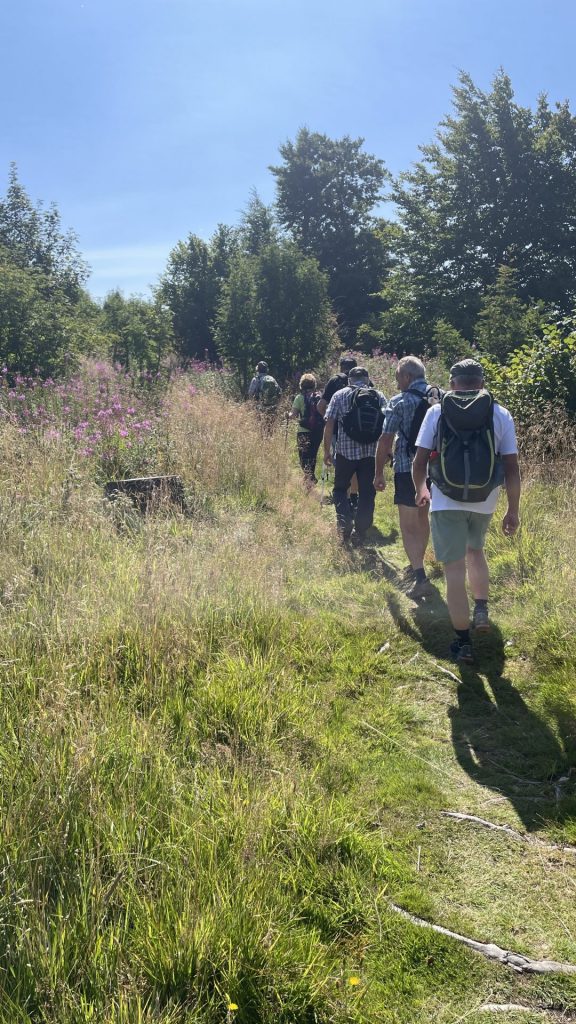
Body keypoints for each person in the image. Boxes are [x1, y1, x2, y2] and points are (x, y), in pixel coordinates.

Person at [412, 358, 521, 665]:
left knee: (454, 570)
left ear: (452, 383)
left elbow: (420, 460)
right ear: (482, 383)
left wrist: (421, 489)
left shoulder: (437, 411)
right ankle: (481, 608)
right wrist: (513, 510)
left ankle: (463, 644)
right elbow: (512, 467)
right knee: (476, 551)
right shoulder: (500, 413)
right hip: (485, 498)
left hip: (446, 500)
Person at [374, 356, 437, 600]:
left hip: (406, 469)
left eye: (398, 377)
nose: (396, 382)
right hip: (435, 470)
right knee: (423, 518)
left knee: (408, 525)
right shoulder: (440, 397)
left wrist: (379, 472)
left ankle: (420, 577)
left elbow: (386, 439)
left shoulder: (399, 401)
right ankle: (416, 564)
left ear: (407, 376)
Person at [323, 366, 387, 545]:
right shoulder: (378, 395)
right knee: (367, 492)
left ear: (349, 380)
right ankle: (361, 530)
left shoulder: (339, 395)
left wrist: (327, 450)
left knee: (340, 489)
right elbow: (387, 425)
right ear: (367, 379)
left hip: (345, 452)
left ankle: (345, 523)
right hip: (370, 454)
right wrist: (388, 451)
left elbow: (329, 424)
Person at [317, 354, 359, 506]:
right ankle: (354, 497)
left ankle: (344, 498)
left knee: (343, 464)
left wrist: (330, 419)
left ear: (341, 368)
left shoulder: (335, 381)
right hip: (363, 432)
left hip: (338, 432)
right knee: (358, 466)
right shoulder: (366, 382)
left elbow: (321, 406)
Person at [286, 373, 325, 486]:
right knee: (312, 455)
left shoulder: (299, 397)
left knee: (303, 456)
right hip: (317, 431)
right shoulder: (319, 397)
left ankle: (309, 478)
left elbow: (293, 415)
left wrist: (287, 415)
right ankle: (310, 478)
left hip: (303, 431)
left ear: (301, 385)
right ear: (314, 385)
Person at [248, 360, 281, 432]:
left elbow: (250, 393)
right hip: (272, 407)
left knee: (261, 427)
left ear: (257, 369)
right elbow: (279, 392)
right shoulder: (272, 379)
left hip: (260, 407)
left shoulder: (255, 379)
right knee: (271, 427)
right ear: (267, 369)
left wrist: (253, 405)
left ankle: (263, 439)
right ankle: (271, 438)